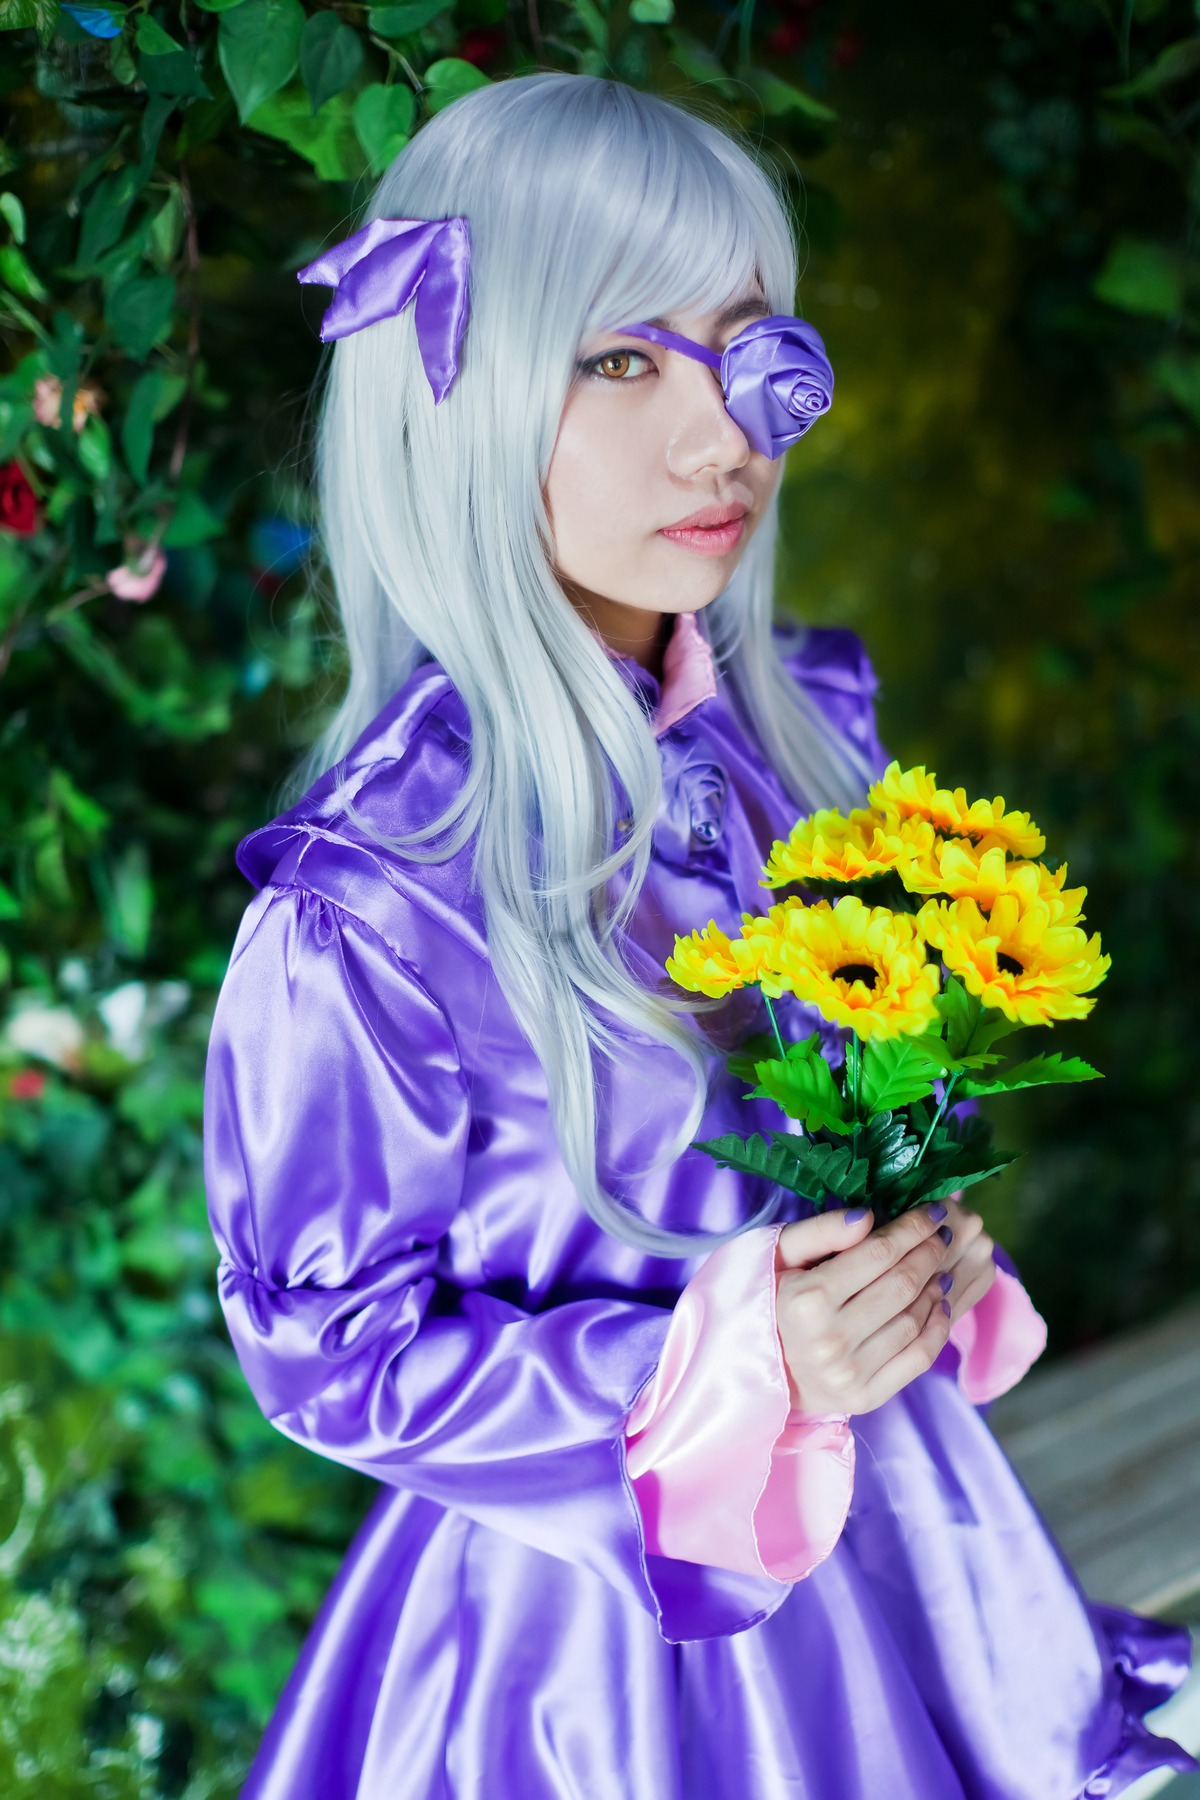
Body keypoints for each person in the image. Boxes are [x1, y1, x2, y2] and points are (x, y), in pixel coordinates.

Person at [201, 70, 1197, 1799]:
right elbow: (327, 1352)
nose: (724, 433)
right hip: (599, 1655)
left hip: (904, 1555)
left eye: (742, 349)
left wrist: (907, 1249)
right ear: (457, 391)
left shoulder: (796, 742)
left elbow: (829, 1144)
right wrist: (709, 1362)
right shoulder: (371, 899)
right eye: (619, 360)